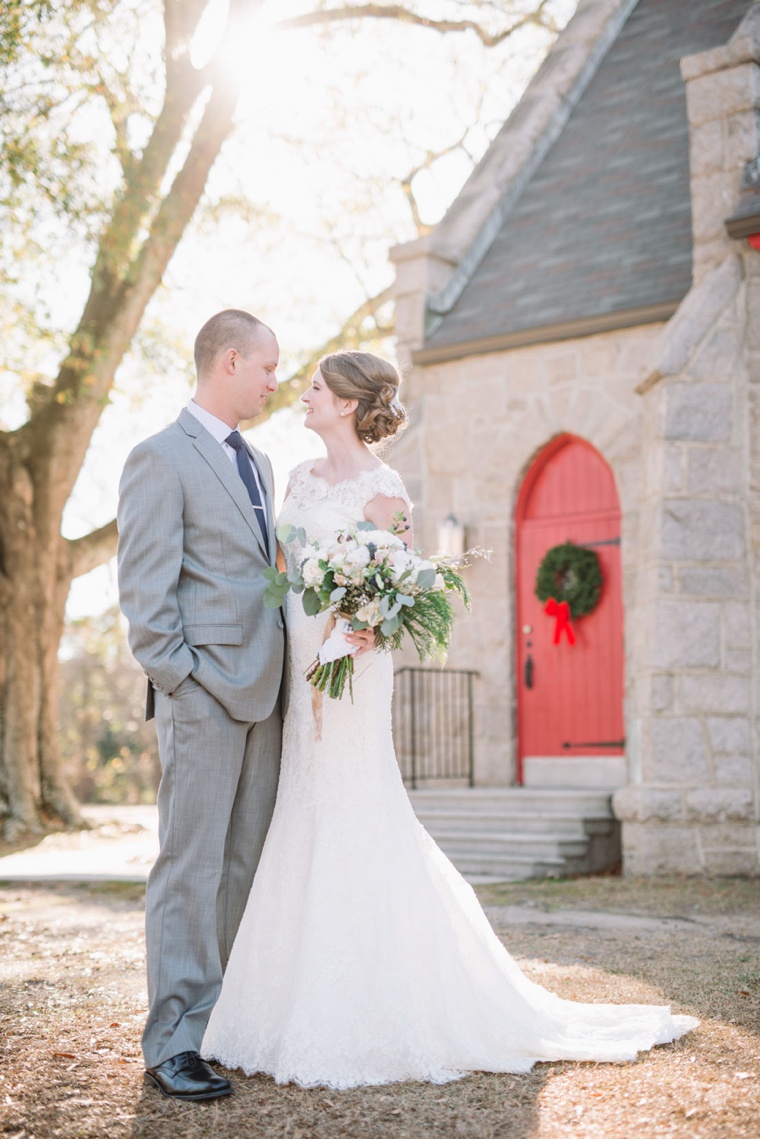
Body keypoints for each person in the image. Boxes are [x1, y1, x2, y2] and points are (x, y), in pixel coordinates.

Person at [201, 350, 699, 1089]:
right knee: (301, 809)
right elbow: (282, 565)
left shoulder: (384, 487)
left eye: (313, 387)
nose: (301, 395)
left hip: (354, 669)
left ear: (345, 402)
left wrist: (367, 621)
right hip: (297, 661)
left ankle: (371, 1001)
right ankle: (282, 1000)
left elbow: (397, 583)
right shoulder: (299, 480)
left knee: (354, 807)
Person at [117, 309, 290, 1101]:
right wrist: (183, 681)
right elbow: (147, 599)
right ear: (229, 360)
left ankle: (218, 1026)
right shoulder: (159, 457)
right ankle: (173, 1040)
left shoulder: (259, 461)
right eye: (266, 367)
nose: (274, 381)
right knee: (189, 867)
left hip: (268, 696)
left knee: (243, 863)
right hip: (203, 697)